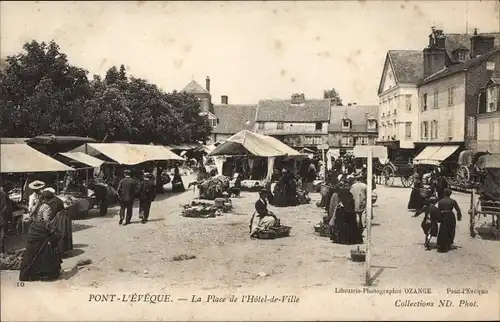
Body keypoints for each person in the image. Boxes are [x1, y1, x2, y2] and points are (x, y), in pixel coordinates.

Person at [19, 189, 63, 281]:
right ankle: (45, 273)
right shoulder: (46, 207)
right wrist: (52, 231)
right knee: (45, 252)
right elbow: (46, 222)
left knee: (31, 252)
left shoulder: (37, 205)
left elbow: (31, 216)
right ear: (48, 199)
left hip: (33, 229)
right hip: (41, 231)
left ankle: (27, 274)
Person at [437, 188, 462, 253]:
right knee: (451, 229)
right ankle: (449, 243)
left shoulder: (440, 201)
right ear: (450, 194)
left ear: (444, 193)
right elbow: (458, 210)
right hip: (450, 215)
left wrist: (439, 219)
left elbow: (439, 210)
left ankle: (441, 243)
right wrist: (459, 217)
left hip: (443, 215)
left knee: (443, 229)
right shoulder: (453, 201)